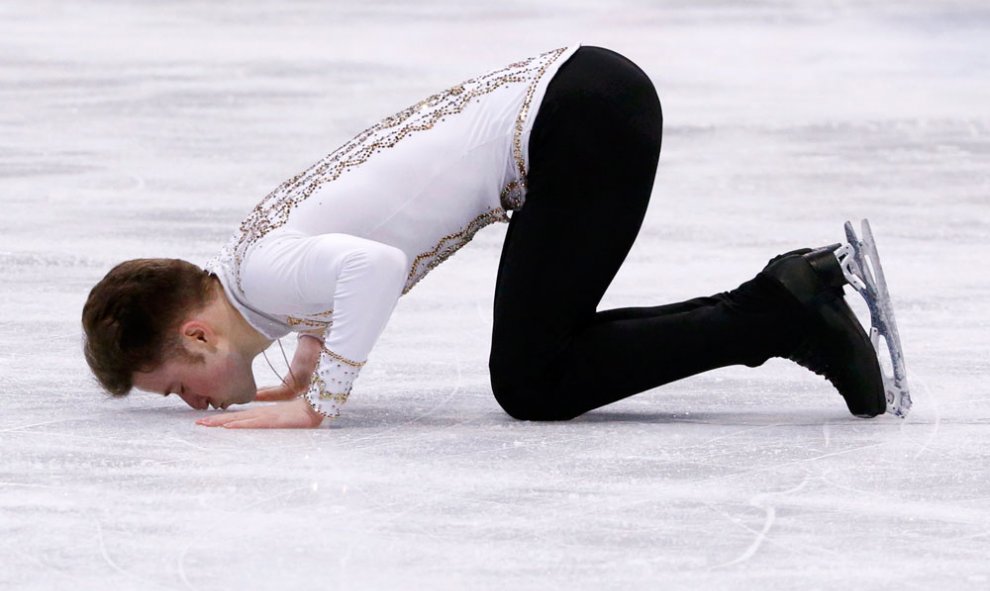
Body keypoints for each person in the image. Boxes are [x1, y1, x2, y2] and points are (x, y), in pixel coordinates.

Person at [81, 44, 893, 429]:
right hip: (580, 103)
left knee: (532, 381)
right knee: (540, 366)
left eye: (174, 387)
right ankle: (780, 304)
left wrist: (320, 405)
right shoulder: (252, 272)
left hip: (579, 121)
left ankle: (784, 310)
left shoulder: (264, 273)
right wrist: (307, 356)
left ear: (195, 332)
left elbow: (373, 262)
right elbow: (350, 243)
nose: (190, 402)